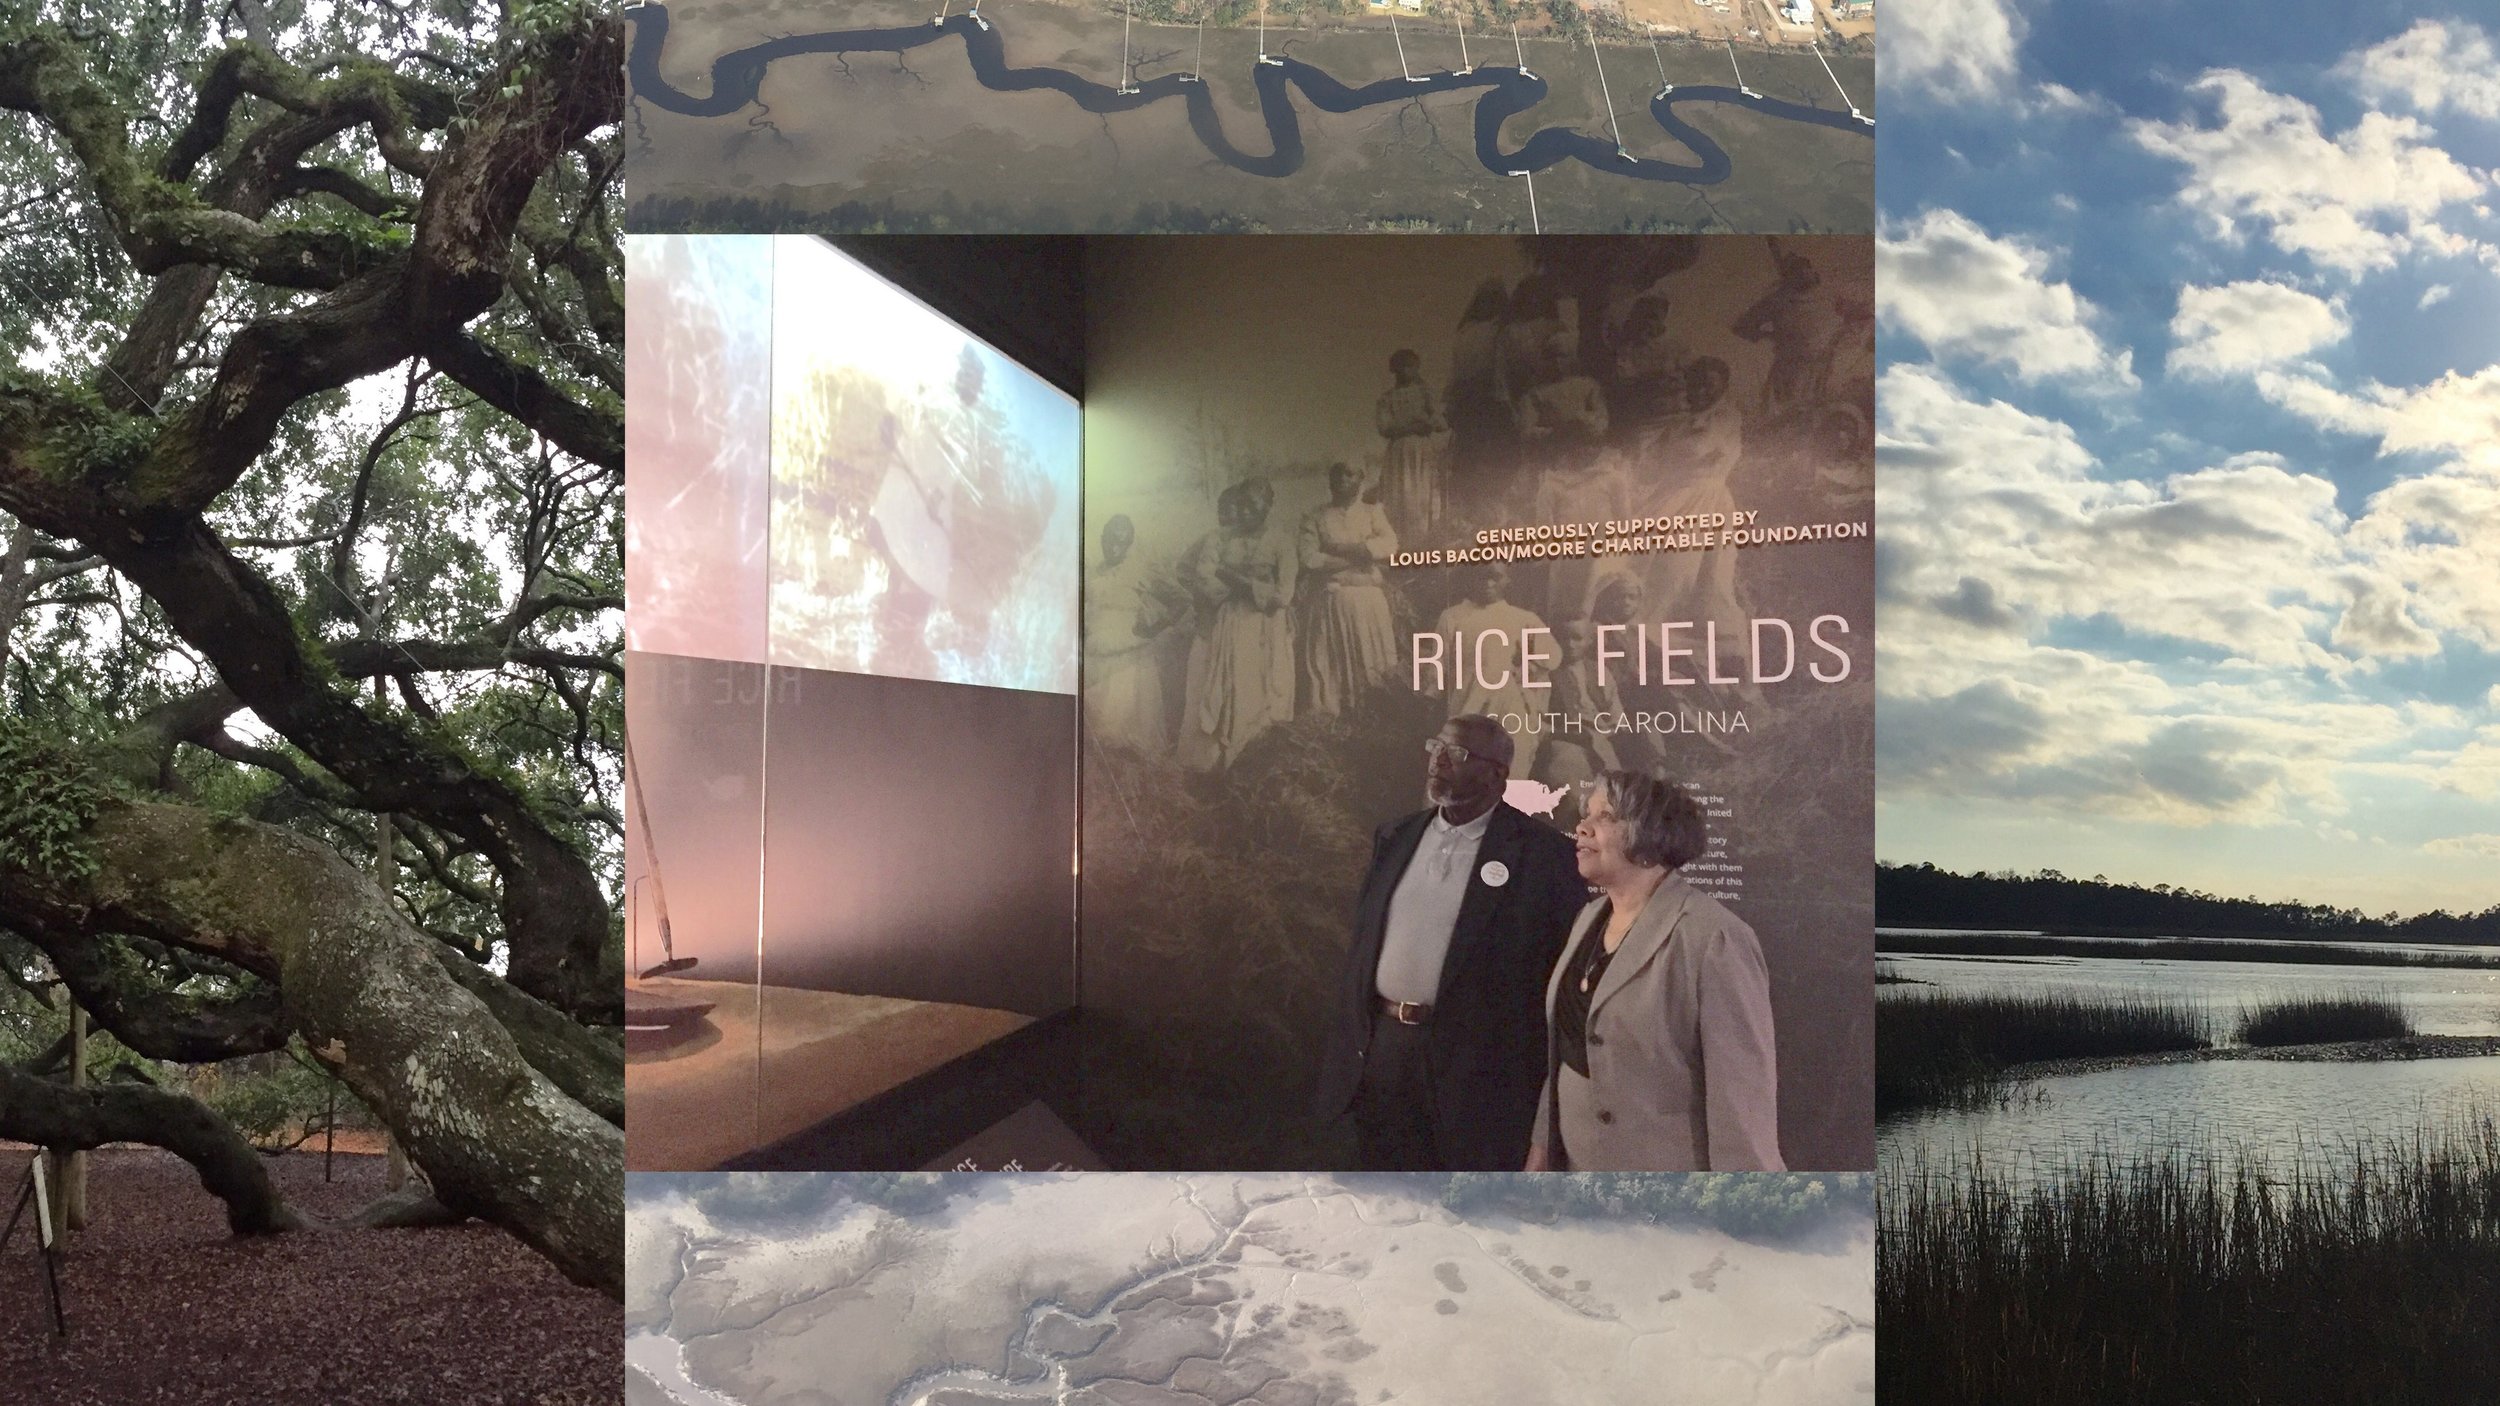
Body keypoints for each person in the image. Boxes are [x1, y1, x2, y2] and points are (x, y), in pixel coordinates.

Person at [1312, 715, 1589, 1171]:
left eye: (1456, 753)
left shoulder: (1542, 854)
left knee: (1465, 1206)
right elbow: (1364, 945)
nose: (1437, 759)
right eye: (1435, 746)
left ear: (1497, 774)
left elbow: (1559, 974)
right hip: (1383, 1050)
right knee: (1386, 1195)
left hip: (1476, 1067)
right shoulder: (1395, 837)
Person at [1526, 768, 1782, 1171]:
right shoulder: (1588, 918)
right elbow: (1568, 1053)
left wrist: (1743, 1209)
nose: (1582, 827)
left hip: (1665, 1192)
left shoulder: (1714, 937)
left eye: (1606, 816)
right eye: (1586, 814)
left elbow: (1741, 1097)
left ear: (1651, 836)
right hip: (1576, 1177)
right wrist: (1541, 1151)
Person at [1176, 479, 1296, 772]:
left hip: (1265, 627)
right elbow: (1204, 577)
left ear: (1267, 507)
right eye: (1240, 506)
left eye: (1252, 507)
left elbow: (1283, 594)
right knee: (1230, 685)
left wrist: (1240, 581)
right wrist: (1240, 587)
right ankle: (1221, 763)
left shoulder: (1281, 542)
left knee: (1264, 686)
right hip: (1230, 624)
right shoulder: (1219, 538)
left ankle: (1257, 761)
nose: (1244, 513)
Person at [1298, 463, 1399, 717]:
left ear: (1361, 479)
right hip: (1332, 597)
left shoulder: (1372, 512)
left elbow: (1389, 544)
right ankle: (1336, 712)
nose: (1342, 479)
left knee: (1371, 657)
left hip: (1367, 597)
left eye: (1349, 474)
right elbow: (1309, 557)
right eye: (1337, 474)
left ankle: (1372, 709)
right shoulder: (1315, 516)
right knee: (1330, 662)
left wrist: (1337, 548)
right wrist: (1359, 555)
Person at [1431, 562, 1550, 778]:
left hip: (1508, 704)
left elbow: (1551, 655)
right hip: (1468, 702)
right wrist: (1433, 695)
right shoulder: (1453, 616)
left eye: (1495, 577)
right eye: (1481, 576)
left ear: (1508, 579)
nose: (1488, 583)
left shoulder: (1521, 618)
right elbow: (1437, 664)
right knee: (1463, 765)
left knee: (1510, 761)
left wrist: (1527, 667)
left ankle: (1507, 807)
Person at [1085, 514, 1176, 755]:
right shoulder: (1093, 574)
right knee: (1097, 720)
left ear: (1129, 544)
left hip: (1131, 656)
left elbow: (1181, 599)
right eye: (1110, 541)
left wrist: (1153, 629)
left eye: (1121, 543)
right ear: (1102, 539)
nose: (1114, 548)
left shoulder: (1138, 573)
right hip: (1098, 654)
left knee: (1126, 722)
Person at [1375, 349, 1447, 542]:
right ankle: (1400, 542)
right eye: (1402, 367)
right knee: (1400, 495)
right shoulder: (1387, 398)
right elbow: (1384, 427)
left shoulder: (1426, 394)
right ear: (1395, 370)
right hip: (1399, 452)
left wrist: (1424, 423)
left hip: (1421, 450)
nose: (1407, 371)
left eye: (1411, 367)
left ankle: (1423, 542)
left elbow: (1440, 423)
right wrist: (1414, 424)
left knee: (1422, 495)